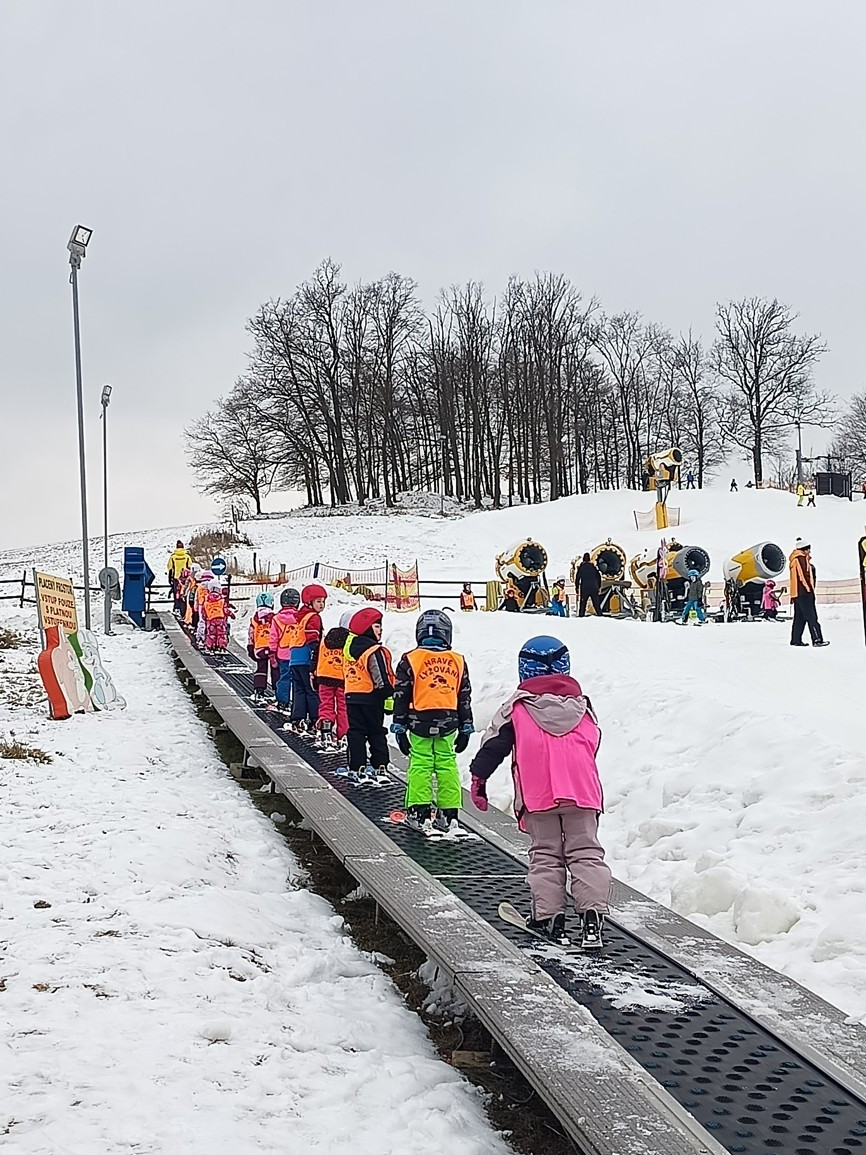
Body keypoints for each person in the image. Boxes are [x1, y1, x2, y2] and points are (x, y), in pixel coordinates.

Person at [468, 636, 612, 950]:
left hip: (540, 795)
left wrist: (479, 780)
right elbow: (591, 745)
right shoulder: (583, 708)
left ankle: (550, 918)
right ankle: (592, 919)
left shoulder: (517, 709)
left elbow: (494, 746)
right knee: (586, 852)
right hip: (583, 794)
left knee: (546, 853)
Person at [391, 609, 473, 835]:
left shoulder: (410, 659)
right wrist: (466, 727)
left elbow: (401, 696)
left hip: (419, 721)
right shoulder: (458, 661)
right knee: (447, 763)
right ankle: (449, 815)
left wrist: (399, 727)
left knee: (421, 763)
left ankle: (419, 812)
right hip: (449, 721)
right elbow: (464, 696)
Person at [344, 607, 395, 783]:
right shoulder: (373, 651)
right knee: (376, 731)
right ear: (367, 628)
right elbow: (380, 675)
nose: (380, 630)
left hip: (352, 696)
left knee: (356, 732)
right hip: (372, 697)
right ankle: (380, 765)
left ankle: (356, 766)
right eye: (377, 626)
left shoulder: (349, 650)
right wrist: (388, 694)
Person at [287, 583, 327, 733]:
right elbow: (312, 638)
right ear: (310, 602)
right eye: (318, 601)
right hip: (306, 657)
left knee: (298, 689)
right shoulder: (314, 617)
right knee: (311, 689)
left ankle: (298, 717)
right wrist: (316, 656)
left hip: (294, 658)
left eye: (323, 601)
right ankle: (314, 719)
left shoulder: (300, 616)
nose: (321, 604)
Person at [315, 609, 351, 749]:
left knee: (326, 704)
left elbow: (317, 654)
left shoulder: (327, 638)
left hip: (324, 676)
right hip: (342, 678)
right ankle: (343, 735)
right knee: (343, 707)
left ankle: (326, 729)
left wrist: (314, 672)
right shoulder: (350, 640)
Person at [789, 539, 828, 647]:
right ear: (804, 549)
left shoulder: (794, 559)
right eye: (808, 549)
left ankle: (796, 640)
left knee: (799, 618)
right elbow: (803, 575)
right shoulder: (800, 559)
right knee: (812, 617)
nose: (809, 552)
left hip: (797, 593)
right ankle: (817, 639)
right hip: (804, 593)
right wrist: (809, 589)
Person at [268, 588, 300, 715]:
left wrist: (272, 652)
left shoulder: (277, 619)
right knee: (297, 680)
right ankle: (297, 703)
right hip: (297, 653)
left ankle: (282, 701)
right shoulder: (300, 617)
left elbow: (273, 637)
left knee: (284, 677)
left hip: (283, 653)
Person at [248, 592, 275, 703]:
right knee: (275, 669)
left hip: (260, 647)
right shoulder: (274, 618)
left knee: (261, 668)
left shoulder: (255, 619)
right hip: (273, 647)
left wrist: (250, 645)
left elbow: (251, 633)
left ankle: (259, 690)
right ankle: (277, 691)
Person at [202, 580, 234, 651]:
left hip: (210, 620)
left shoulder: (206, 600)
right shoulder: (221, 600)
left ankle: (210, 646)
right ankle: (221, 646)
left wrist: (205, 617)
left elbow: (203, 610)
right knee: (221, 633)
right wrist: (231, 614)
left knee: (211, 634)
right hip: (220, 619)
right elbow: (225, 609)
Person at [576, 553, 603, 618]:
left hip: (584, 588)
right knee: (596, 604)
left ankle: (581, 615)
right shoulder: (593, 567)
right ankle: (600, 615)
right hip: (594, 587)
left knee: (583, 603)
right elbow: (598, 577)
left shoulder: (581, 568)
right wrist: (599, 586)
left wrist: (576, 587)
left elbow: (577, 578)